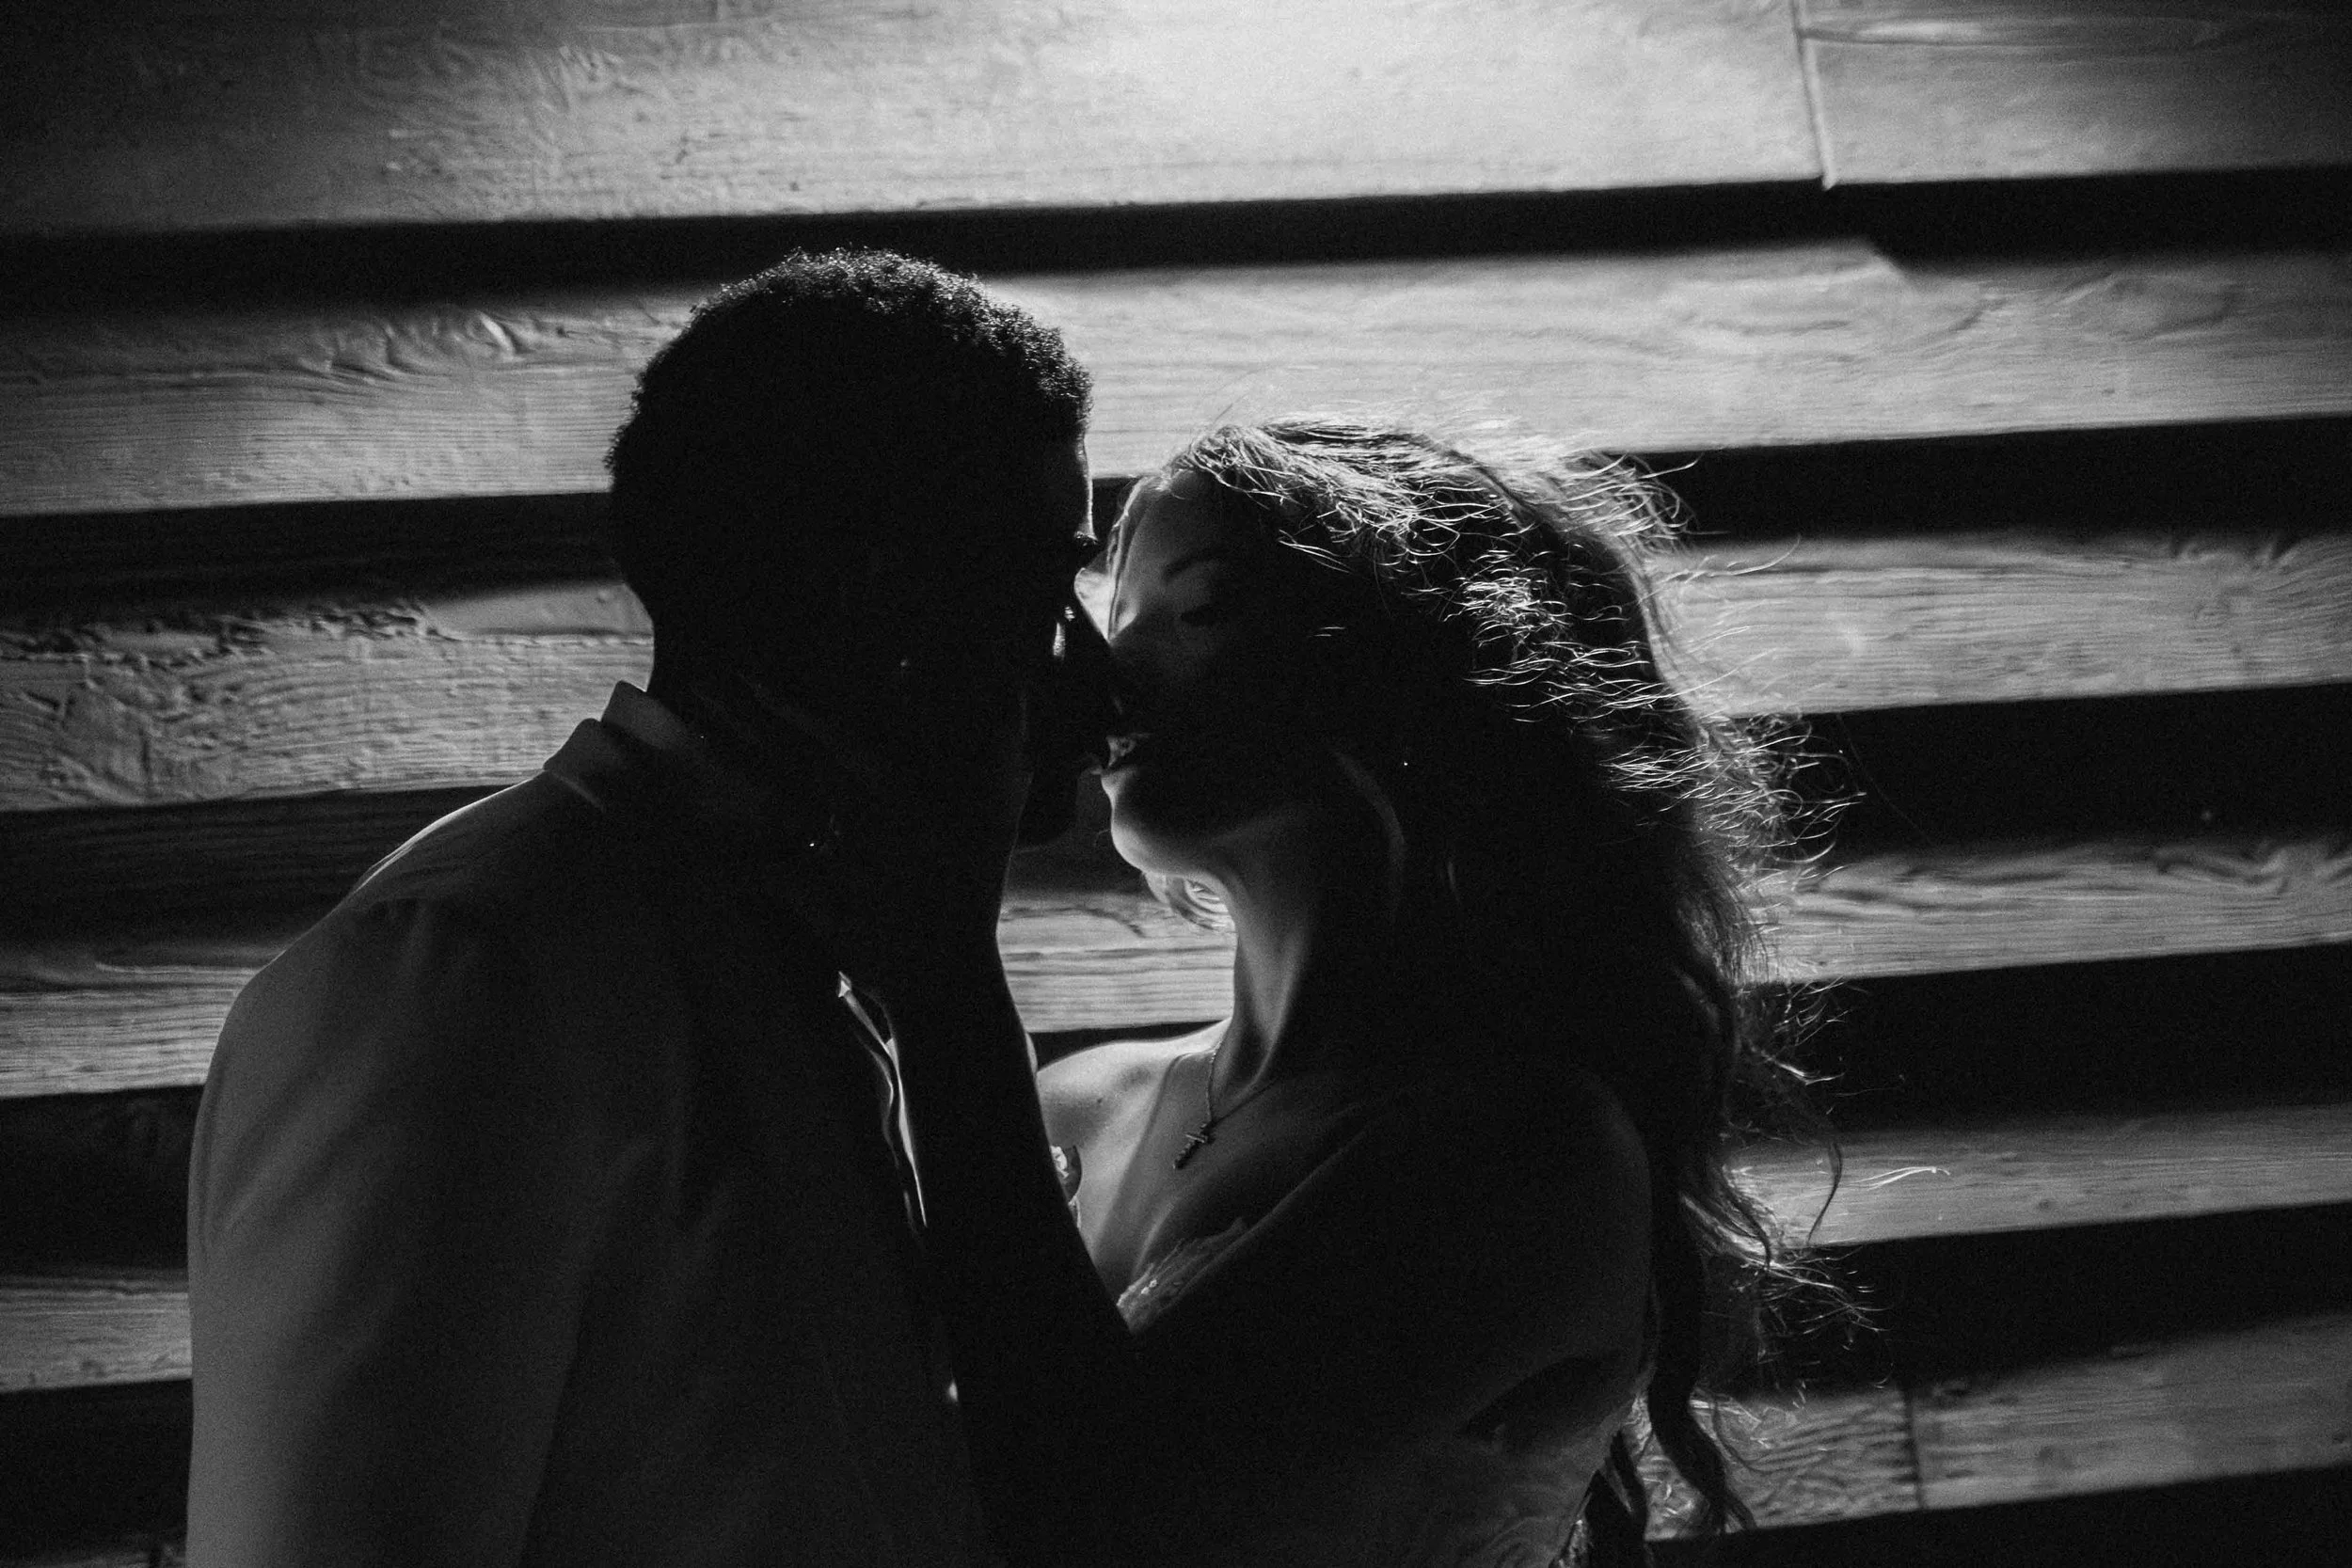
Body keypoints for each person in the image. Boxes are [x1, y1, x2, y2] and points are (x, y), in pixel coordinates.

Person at [183, 248, 1110, 1567]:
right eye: (1042, 588)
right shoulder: (462, 979)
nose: (1089, 666)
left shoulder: (849, 947)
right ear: (884, 593)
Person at [872, 419, 1827, 1567]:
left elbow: (1087, 1511)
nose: (1110, 673)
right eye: (1114, 617)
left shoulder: (1524, 1153)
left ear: (1402, 669)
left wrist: (939, 948)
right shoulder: (1074, 1103)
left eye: (1199, 607)